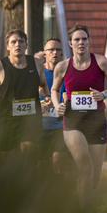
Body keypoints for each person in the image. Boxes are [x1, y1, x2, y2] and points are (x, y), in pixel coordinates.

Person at [51, 24, 107, 213]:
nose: (81, 43)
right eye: (77, 40)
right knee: (85, 167)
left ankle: (78, 201)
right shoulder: (63, 66)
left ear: (88, 41)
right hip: (73, 122)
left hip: (97, 122)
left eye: (84, 39)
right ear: (70, 43)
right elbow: (55, 90)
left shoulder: (101, 62)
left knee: (94, 177)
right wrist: (57, 106)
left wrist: (104, 94)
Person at [0, 29, 51, 158]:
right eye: (13, 42)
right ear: (7, 46)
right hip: (7, 120)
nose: (17, 45)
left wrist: (46, 96)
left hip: (31, 119)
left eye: (20, 41)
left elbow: (43, 84)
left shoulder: (37, 64)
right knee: (8, 162)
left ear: (26, 45)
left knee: (29, 153)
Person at [40, 37, 67, 174]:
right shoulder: (39, 73)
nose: (54, 52)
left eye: (58, 49)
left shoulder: (67, 73)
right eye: (51, 50)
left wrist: (67, 99)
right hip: (40, 127)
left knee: (59, 162)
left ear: (61, 52)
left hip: (60, 127)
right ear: (45, 53)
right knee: (42, 166)